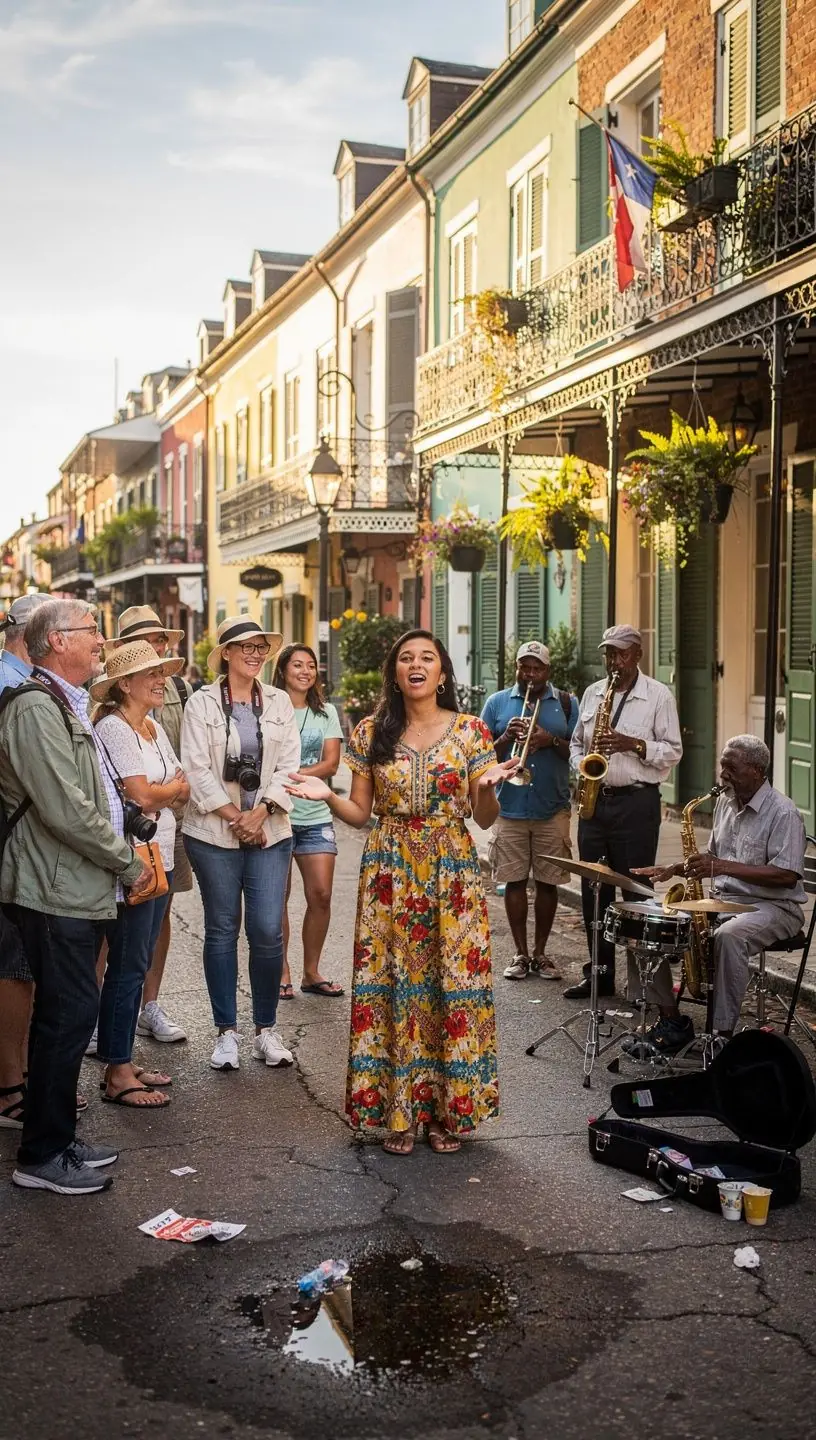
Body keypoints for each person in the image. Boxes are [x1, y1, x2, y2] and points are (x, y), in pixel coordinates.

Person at [286, 629, 518, 1157]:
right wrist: (327, 796)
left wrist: (486, 790)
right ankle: (398, 1110)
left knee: (450, 983)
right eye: (406, 658)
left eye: (427, 658)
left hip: (452, 871)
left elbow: (485, 817)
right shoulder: (372, 732)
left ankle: (446, 1112)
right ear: (395, 672)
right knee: (394, 984)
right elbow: (359, 813)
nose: (416, 665)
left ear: (442, 672)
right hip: (389, 869)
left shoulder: (471, 731)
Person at [0, 599, 152, 1194]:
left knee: (67, 1016)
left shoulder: (64, 702)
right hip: (53, 887)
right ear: (58, 640)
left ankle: (56, 1138)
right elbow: (65, 809)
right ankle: (42, 1155)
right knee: (65, 1019)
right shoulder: (35, 707)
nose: (101, 641)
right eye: (93, 631)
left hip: (72, 884)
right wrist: (126, 862)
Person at [633, 735, 806, 1052]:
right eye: (722, 766)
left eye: (731, 768)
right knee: (647, 921)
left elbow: (786, 875)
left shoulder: (784, 812)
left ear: (756, 770)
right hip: (724, 900)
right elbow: (712, 860)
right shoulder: (725, 804)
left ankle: (720, 1037)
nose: (723, 774)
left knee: (729, 936)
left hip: (774, 906)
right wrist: (675, 868)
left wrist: (723, 866)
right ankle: (671, 1020)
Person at [181, 616, 301, 1071]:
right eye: (245, 646)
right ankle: (225, 1032)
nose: (254, 654)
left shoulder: (279, 701)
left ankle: (265, 1030)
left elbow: (290, 765)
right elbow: (196, 769)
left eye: (260, 647)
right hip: (214, 833)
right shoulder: (202, 703)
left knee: (268, 931)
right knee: (221, 928)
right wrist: (236, 817)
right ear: (226, 653)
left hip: (270, 830)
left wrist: (261, 812)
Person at [92, 642, 191, 1105]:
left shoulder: (151, 726)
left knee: (139, 958)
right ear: (124, 684)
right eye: (150, 674)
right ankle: (117, 1071)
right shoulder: (113, 727)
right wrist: (163, 791)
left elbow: (182, 786)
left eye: (161, 672)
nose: (160, 680)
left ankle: (123, 1058)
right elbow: (144, 796)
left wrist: (161, 791)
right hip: (134, 859)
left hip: (160, 854)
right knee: (128, 963)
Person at [566, 625, 682, 1000]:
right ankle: (599, 975)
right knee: (593, 890)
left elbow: (673, 751)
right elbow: (575, 745)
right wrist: (582, 765)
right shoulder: (593, 693)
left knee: (636, 892)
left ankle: (642, 984)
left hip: (636, 804)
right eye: (609, 654)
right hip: (596, 801)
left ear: (637, 655)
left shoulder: (658, 696)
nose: (614, 661)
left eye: (621, 653)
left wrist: (632, 744)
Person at [481, 640, 578, 981]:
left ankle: (541, 953)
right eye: (525, 667)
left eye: (537, 668)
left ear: (547, 671)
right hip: (509, 805)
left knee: (549, 883)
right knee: (514, 881)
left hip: (552, 807)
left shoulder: (565, 703)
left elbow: (579, 753)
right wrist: (506, 737)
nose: (531, 674)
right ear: (517, 668)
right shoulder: (496, 703)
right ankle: (521, 953)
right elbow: (480, 755)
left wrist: (550, 740)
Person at [0, 595, 51, 1131]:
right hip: (13, 844)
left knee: (23, 965)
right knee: (14, 967)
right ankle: (11, 1086)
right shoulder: (11, 685)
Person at [272, 643, 344, 998]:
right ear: (283, 670)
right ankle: (282, 971)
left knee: (321, 895)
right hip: (276, 814)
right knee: (277, 898)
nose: (305, 671)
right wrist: (290, 781)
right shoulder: (269, 708)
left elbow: (331, 763)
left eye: (311, 665)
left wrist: (293, 775)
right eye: (297, 665)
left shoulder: (325, 712)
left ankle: (311, 971)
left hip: (315, 816)